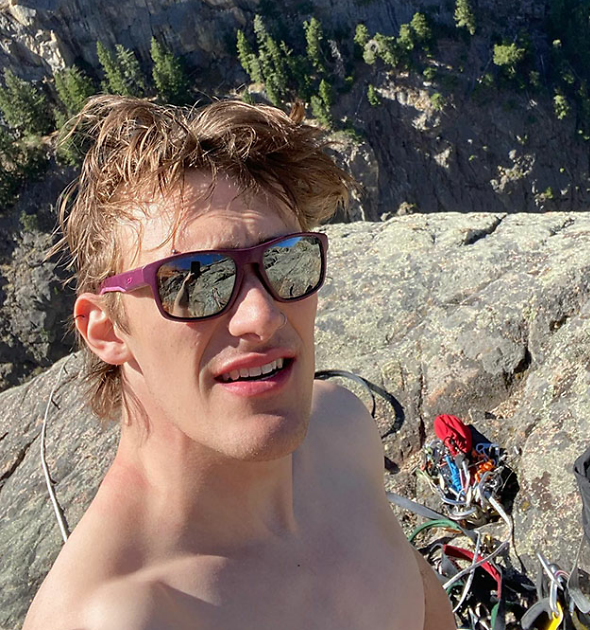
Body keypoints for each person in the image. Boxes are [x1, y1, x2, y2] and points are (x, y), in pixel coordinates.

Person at [21, 96, 454, 629]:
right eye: (195, 280)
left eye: (286, 259)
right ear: (107, 331)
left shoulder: (343, 431)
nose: (263, 316)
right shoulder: (121, 616)